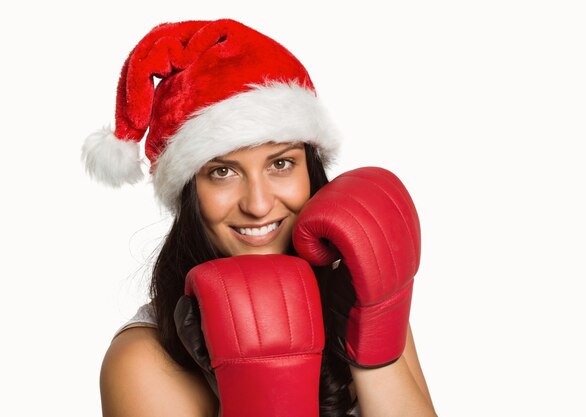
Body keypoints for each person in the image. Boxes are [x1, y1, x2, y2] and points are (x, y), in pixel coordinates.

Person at [82, 18, 437, 417]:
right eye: (222, 172)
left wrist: (371, 349)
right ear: (188, 193)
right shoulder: (145, 362)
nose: (258, 203)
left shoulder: (361, 291)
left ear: (311, 171)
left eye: (281, 163)